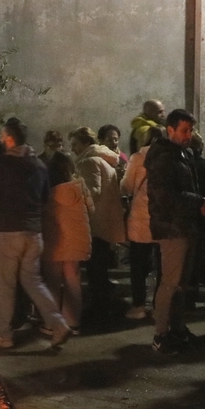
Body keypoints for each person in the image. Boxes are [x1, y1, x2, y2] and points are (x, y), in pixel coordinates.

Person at [0, 120, 71, 349]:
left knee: (5, 288)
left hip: (8, 233)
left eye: (3, 136)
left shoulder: (3, 164)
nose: (1, 140)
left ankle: (4, 335)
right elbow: (44, 199)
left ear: (10, 138)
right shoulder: (39, 165)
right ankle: (58, 325)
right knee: (34, 282)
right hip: (34, 233)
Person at [146, 109, 205, 355]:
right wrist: (198, 200)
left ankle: (177, 329)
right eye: (184, 130)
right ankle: (161, 334)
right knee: (171, 283)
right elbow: (166, 197)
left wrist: (199, 204)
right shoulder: (165, 157)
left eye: (190, 130)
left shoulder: (181, 153)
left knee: (180, 283)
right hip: (172, 228)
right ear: (170, 130)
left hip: (184, 225)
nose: (188, 135)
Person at [69, 127, 125, 323]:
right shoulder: (104, 160)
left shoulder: (89, 161)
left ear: (85, 143)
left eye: (75, 144)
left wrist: (73, 189)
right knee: (99, 270)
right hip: (105, 222)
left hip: (95, 223)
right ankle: (103, 308)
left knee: (96, 272)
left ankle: (99, 311)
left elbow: (92, 191)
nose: (73, 149)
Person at [42, 151, 93, 333]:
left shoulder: (47, 191)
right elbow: (91, 209)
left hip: (54, 241)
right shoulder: (80, 187)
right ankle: (73, 323)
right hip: (77, 241)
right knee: (73, 281)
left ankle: (52, 324)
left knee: (52, 283)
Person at [121, 126, 164, 320]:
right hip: (162, 218)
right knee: (162, 266)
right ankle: (159, 306)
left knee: (138, 266)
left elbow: (127, 186)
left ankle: (138, 305)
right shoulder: (169, 157)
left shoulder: (138, 158)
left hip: (140, 218)